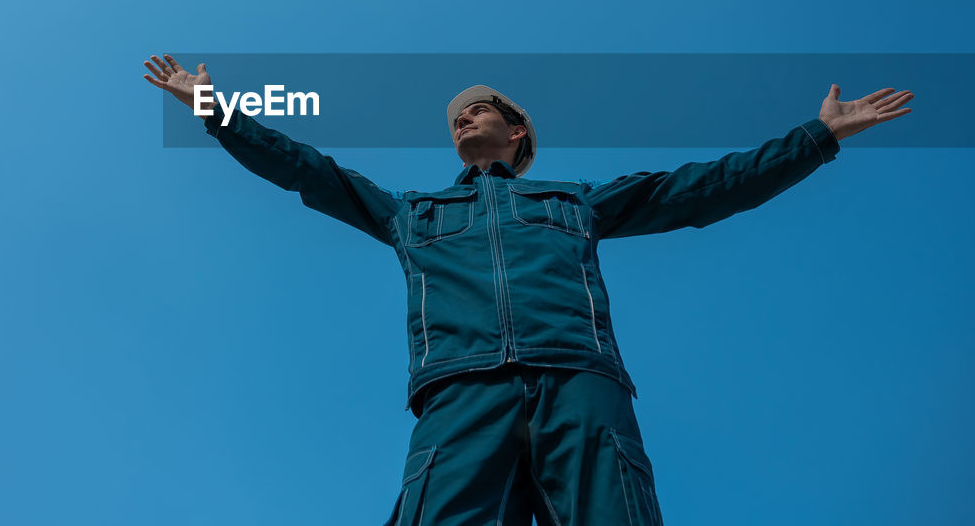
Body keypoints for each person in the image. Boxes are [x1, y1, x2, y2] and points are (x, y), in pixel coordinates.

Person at [143, 54, 913, 526]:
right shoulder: (413, 215)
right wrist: (216, 111)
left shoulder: (574, 201)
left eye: (478, 108)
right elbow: (309, 170)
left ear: (517, 133)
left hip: (577, 385)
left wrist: (815, 138)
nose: (461, 117)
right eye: (453, 116)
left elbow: (704, 188)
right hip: (460, 395)